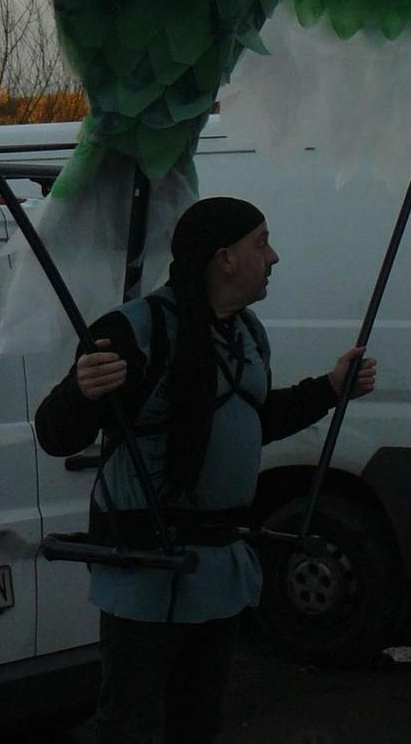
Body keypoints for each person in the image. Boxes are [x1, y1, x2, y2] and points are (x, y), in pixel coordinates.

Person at [33, 197, 376, 744]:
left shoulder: (247, 334)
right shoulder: (133, 331)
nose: (275, 256)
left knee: (197, 728)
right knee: (129, 730)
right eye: (261, 242)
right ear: (225, 259)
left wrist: (331, 390)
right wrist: (79, 392)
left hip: (216, 574)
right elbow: (55, 434)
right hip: (145, 573)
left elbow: (248, 422)